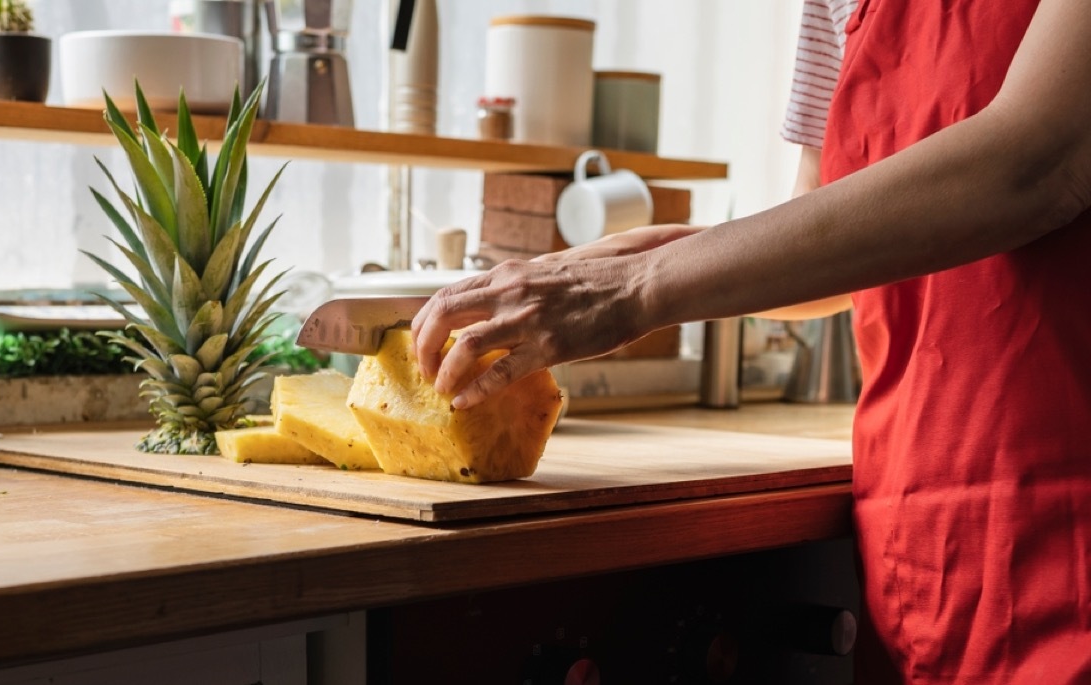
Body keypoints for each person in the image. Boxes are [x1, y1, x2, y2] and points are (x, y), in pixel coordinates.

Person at [412, 0, 1091, 681]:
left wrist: (637, 288)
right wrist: (653, 253)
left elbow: (1042, 160)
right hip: (924, 547)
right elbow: (830, 226)